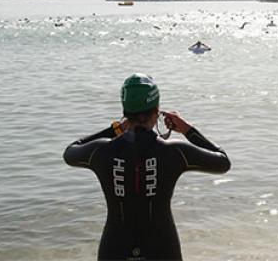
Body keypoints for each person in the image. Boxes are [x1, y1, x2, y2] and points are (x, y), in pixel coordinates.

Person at [63, 74, 230, 261]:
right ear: (156, 110)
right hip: (162, 249)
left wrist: (114, 130)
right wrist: (186, 129)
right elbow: (223, 162)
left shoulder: (100, 151)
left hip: (115, 248)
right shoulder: (176, 152)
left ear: (125, 110)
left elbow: (70, 152)